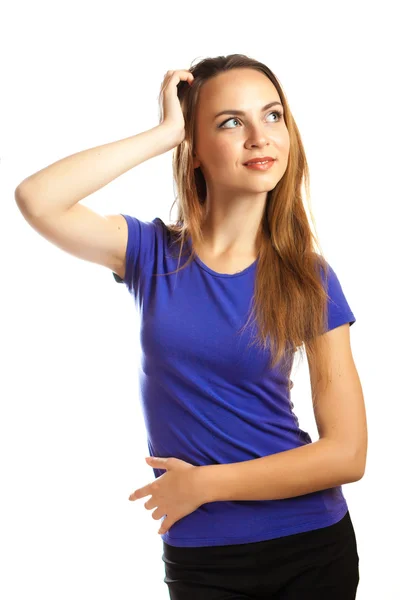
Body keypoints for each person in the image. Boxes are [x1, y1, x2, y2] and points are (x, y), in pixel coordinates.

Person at [15, 54, 367, 599]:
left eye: (272, 116)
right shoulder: (151, 254)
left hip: (311, 547)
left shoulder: (308, 278)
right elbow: (37, 199)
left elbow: (347, 453)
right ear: (196, 150)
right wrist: (164, 133)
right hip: (201, 557)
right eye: (231, 122)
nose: (259, 137)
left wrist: (204, 483)